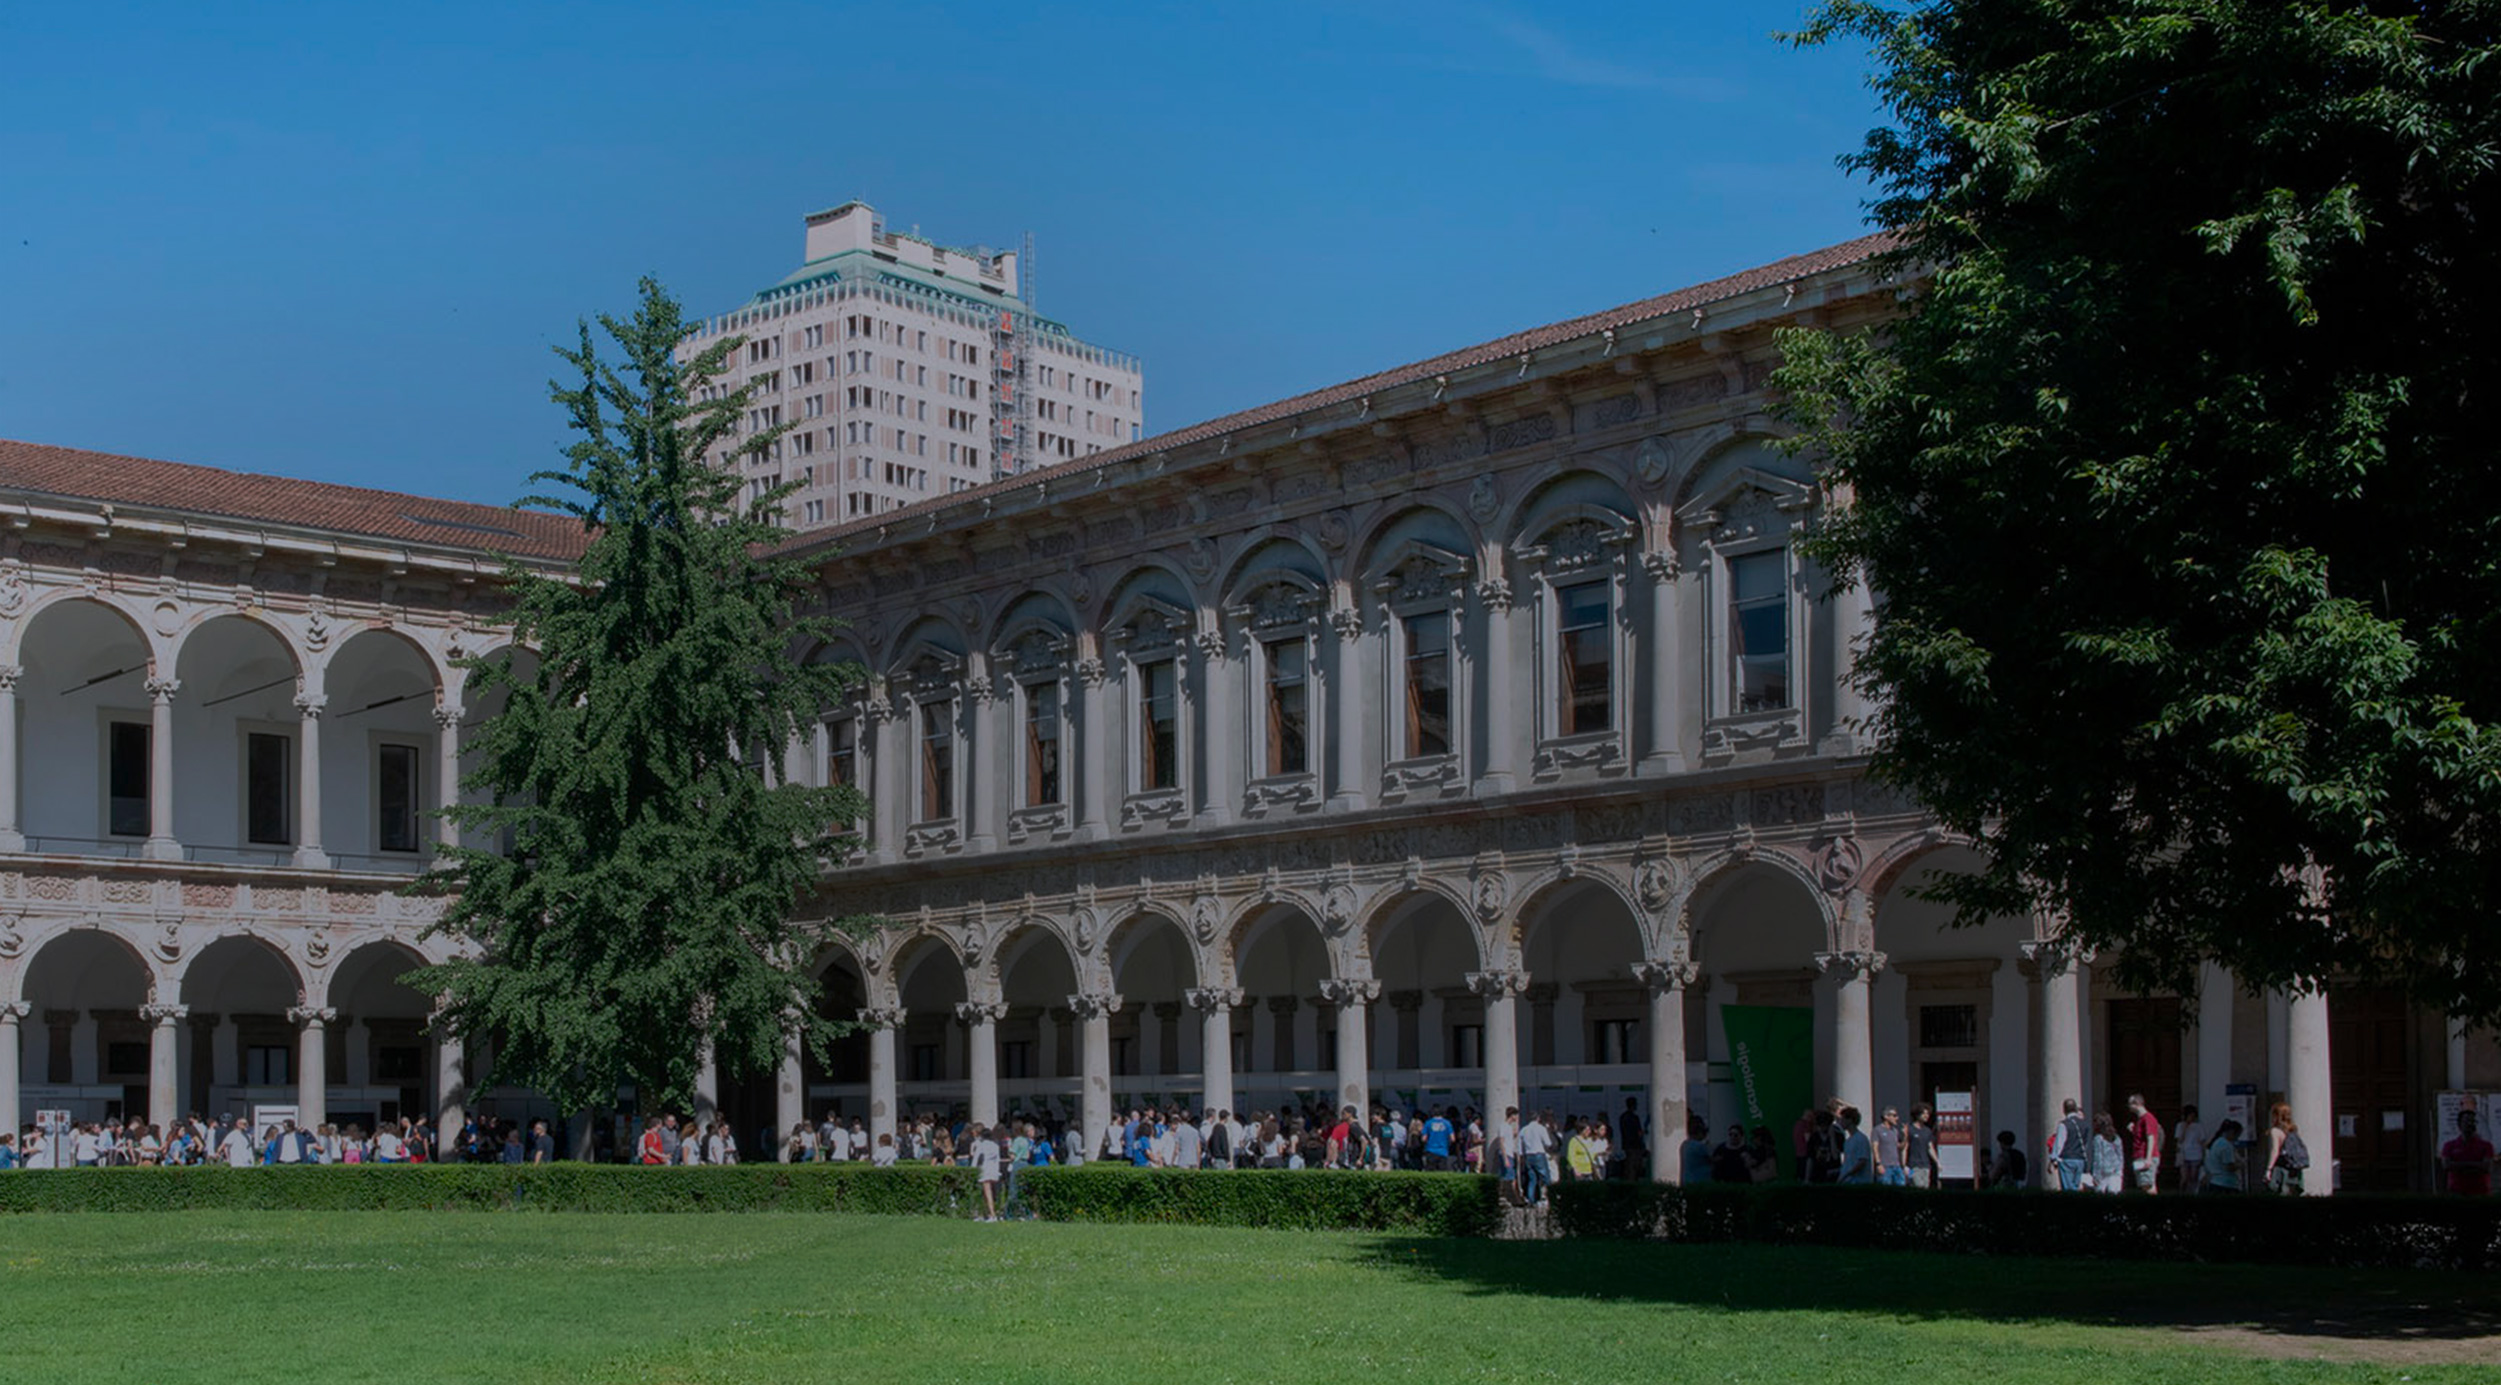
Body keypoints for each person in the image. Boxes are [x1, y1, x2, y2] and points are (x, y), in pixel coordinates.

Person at [2440, 1110, 2494, 1196]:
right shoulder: (2449, 1146)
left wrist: (2458, 1166)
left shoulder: (2486, 1146)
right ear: (2459, 1124)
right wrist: (2476, 1165)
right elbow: (2446, 1166)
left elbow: (2486, 1167)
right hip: (2456, 1191)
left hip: (2480, 1193)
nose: (2470, 1124)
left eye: (2472, 1121)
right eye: (2466, 1121)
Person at [2262, 1102, 2309, 1195]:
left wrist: (2269, 1169)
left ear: (2275, 1116)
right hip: (2294, 1168)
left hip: (2281, 1168)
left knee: (2279, 1192)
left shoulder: (2275, 1131)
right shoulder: (2292, 1130)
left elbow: (2275, 1150)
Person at [2125, 1094, 2164, 1194]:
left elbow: (2151, 1138)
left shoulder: (2148, 1118)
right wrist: (2133, 1129)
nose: (2128, 1106)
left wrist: (2148, 1158)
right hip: (2140, 1156)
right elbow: (2141, 1137)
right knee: (2146, 1185)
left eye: (2130, 1104)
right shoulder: (2140, 1119)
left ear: (2137, 1104)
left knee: (2147, 1185)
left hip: (2145, 1157)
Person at [2050, 1098, 2089, 1191]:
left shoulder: (2064, 1124)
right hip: (2080, 1160)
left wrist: (2053, 1159)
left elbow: (2059, 1143)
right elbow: (2085, 1143)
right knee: (2076, 1187)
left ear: (2064, 1110)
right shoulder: (2085, 1125)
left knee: (2068, 1189)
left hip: (2067, 1159)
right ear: (2075, 1109)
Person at [969, 1123, 1002, 1221]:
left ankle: (992, 1214)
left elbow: (976, 1159)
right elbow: (997, 1160)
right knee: (988, 1193)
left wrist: (972, 1169)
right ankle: (986, 1213)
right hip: (993, 1170)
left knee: (987, 1193)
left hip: (985, 1170)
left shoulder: (982, 1145)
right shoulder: (995, 1146)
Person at [2087, 1112, 2126, 1194]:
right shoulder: (2117, 1138)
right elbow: (2120, 1156)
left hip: (2103, 1173)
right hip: (2116, 1171)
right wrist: (2120, 1170)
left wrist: (2096, 1176)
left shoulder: (2098, 1139)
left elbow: (2098, 1158)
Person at [1904, 1104, 1939, 1188]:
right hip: (1913, 1165)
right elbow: (1905, 1148)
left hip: (1926, 1165)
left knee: (1925, 1186)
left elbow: (1930, 1147)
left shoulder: (1927, 1131)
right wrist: (1904, 1165)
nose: (1926, 1116)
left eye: (1928, 1114)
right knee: (1916, 1185)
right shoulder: (1910, 1129)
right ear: (1917, 1115)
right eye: (1924, 1113)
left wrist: (1937, 1162)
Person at [2175, 1104, 2206, 1194]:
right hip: (2184, 1154)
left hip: (2196, 1154)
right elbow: (2179, 1140)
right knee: (2184, 1177)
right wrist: (2185, 1128)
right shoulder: (2180, 1126)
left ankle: (2193, 1192)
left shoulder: (2199, 1126)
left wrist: (2204, 1154)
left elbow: (2202, 1141)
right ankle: (2182, 1193)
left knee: (2193, 1176)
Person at [1836, 1106, 1873, 1184]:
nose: (1840, 1122)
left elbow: (1862, 1161)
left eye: (1842, 1119)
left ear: (1850, 1120)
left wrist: (1847, 1174)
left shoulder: (1861, 1139)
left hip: (1859, 1182)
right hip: (1847, 1181)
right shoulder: (1848, 1141)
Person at [1874, 1107, 1905, 1187]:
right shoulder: (1877, 1130)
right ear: (1886, 1116)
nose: (1897, 1118)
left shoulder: (1895, 1131)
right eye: (1894, 1116)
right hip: (1885, 1165)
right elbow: (1875, 1147)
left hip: (1896, 1165)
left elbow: (1900, 1147)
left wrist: (1905, 1136)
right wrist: (1878, 1164)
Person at [1680, 1114, 1713, 1184]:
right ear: (1699, 1132)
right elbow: (1712, 1159)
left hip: (1687, 1180)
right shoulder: (1699, 1146)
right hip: (1700, 1181)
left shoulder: (1685, 1144)